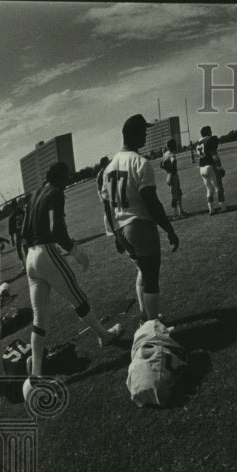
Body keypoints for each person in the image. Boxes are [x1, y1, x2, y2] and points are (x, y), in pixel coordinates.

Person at [22, 161, 124, 399]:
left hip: (30, 257)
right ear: (60, 177)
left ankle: (36, 375)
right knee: (78, 299)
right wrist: (77, 253)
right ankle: (103, 335)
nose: (68, 181)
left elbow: (26, 232)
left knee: (40, 318)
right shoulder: (55, 193)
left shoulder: (34, 194)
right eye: (67, 177)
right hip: (46, 253)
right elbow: (56, 229)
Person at [102, 113, 180, 324]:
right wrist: (169, 229)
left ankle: (146, 317)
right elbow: (151, 202)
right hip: (139, 225)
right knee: (152, 277)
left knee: (142, 271)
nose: (146, 135)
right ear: (134, 134)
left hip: (121, 227)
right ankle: (152, 328)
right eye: (144, 131)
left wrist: (116, 235)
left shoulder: (108, 168)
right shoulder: (140, 162)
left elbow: (108, 205)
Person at [196, 124, 226, 215]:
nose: (211, 132)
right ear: (208, 132)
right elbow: (214, 155)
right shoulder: (210, 140)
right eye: (210, 131)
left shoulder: (198, 143)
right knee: (219, 187)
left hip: (202, 168)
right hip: (210, 166)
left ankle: (211, 209)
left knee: (209, 189)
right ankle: (223, 206)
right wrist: (220, 167)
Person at [160, 139, 185, 219]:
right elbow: (173, 160)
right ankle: (175, 214)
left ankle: (181, 211)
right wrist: (172, 170)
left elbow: (160, 164)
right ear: (173, 146)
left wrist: (167, 170)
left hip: (169, 175)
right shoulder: (171, 154)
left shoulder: (165, 154)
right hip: (173, 176)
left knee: (179, 193)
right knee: (174, 195)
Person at [95, 156, 114, 236]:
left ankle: (111, 227)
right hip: (103, 193)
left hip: (107, 192)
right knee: (106, 212)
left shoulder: (107, 170)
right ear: (104, 163)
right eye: (107, 161)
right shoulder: (101, 173)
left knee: (110, 210)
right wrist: (101, 197)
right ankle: (107, 230)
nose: (109, 162)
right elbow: (98, 186)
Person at [8, 201, 26, 270]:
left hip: (17, 233)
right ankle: (28, 260)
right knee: (25, 247)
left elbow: (11, 230)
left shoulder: (11, 216)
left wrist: (12, 239)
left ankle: (23, 264)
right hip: (23, 231)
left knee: (19, 249)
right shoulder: (21, 211)